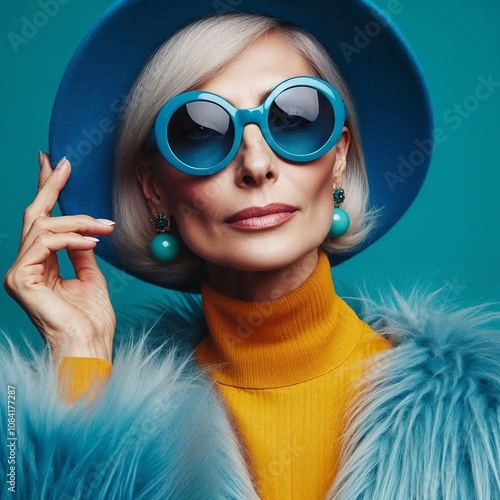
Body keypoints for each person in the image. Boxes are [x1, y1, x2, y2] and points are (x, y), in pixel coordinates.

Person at [2, 1, 499, 499]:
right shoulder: (129, 423)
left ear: (341, 157)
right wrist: (80, 360)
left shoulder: (483, 420)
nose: (256, 164)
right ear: (155, 190)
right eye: (200, 132)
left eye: (295, 118)